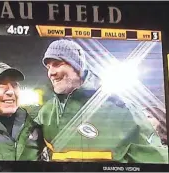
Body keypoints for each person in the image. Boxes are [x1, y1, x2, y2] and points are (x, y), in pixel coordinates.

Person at [35, 39, 168, 163]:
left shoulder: (122, 110)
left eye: (57, 64)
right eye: (49, 67)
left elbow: (157, 160)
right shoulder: (46, 112)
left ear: (78, 66)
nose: (51, 73)